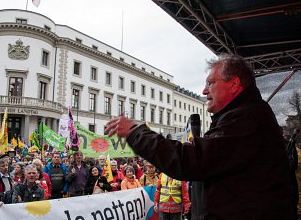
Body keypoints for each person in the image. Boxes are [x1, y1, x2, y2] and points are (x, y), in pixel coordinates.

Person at [105, 54, 293, 219]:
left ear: (234, 84)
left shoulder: (246, 117)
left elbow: (191, 160)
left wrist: (136, 132)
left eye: (210, 83)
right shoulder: (243, 114)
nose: (204, 91)